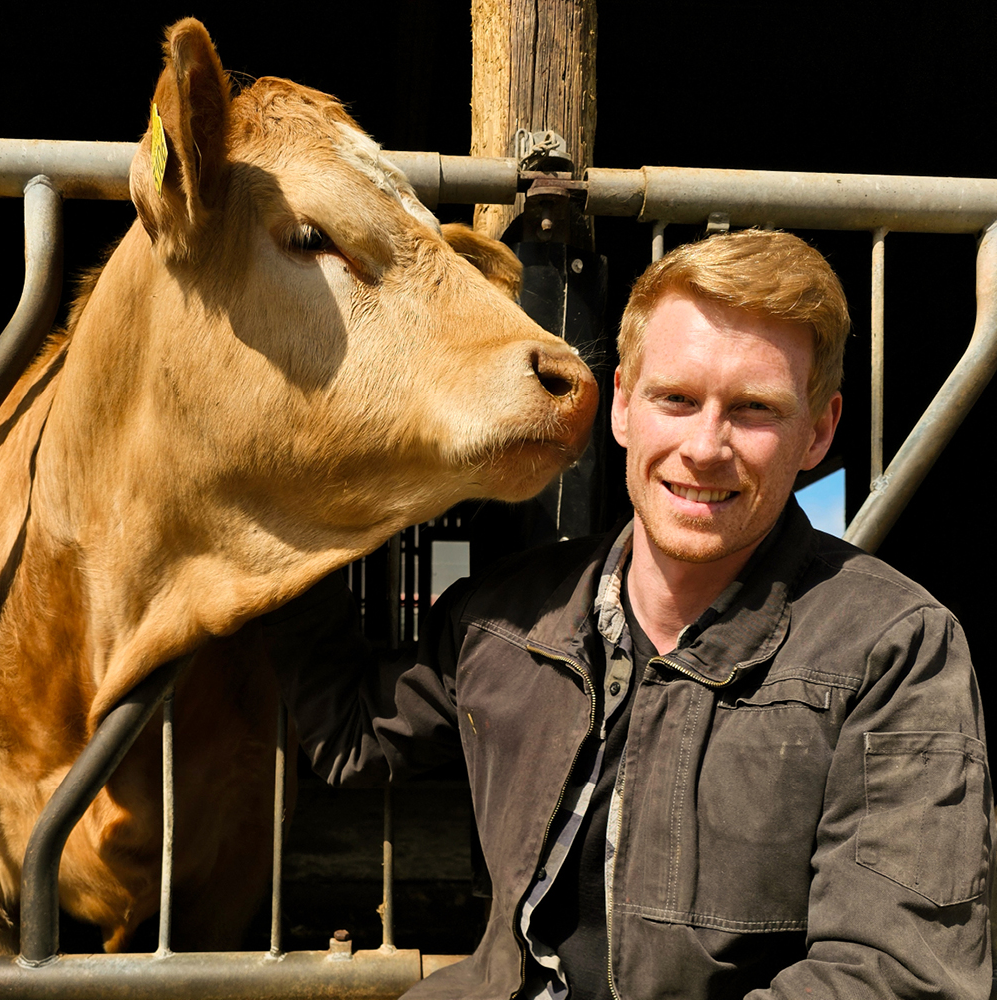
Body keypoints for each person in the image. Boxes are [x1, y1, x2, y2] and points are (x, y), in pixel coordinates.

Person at [262, 229, 993, 1000]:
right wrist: (282, 497)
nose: (705, 447)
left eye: (754, 410)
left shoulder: (896, 648)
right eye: (676, 399)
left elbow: (900, 975)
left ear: (818, 431)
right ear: (620, 409)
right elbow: (351, 734)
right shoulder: (509, 617)